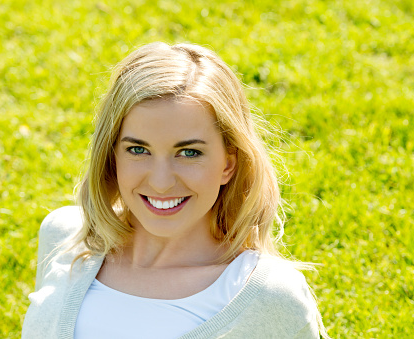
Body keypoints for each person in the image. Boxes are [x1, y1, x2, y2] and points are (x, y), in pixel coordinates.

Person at [22, 42, 329, 339]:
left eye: (189, 153)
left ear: (228, 165)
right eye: (138, 149)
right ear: (112, 155)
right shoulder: (65, 235)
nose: (160, 181)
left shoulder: (270, 297)